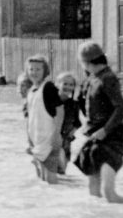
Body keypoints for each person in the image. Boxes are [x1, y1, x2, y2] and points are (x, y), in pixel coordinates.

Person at [74, 41, 123, 203]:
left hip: (111, 139)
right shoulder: (91, 79)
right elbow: (85, 107)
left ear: (85, 63)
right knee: (93, 192)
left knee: (108, 193)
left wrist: (104, 130)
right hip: (94, 138)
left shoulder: (108, 78)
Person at [24, 55, 63, 184]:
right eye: (31, 69)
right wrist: (29, 141)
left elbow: (60, 110)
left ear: (45, 71)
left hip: (50, 140)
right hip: (37, 142)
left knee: (51, 180)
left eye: (38, 69)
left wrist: (57, 135)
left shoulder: (48, 88)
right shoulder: (31, 91)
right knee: (42, 181)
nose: (34, 72)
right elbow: (30, 119)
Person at [57, 72, 82, 175]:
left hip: (67, 141)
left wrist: (73, 131)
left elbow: (78, 122)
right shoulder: (51, 101)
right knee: (57, 169)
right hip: (53, 140)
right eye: (65, 83)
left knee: (62, 173)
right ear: (58, 84)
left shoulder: (74, 104)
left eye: (71, 84)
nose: (68, 87)